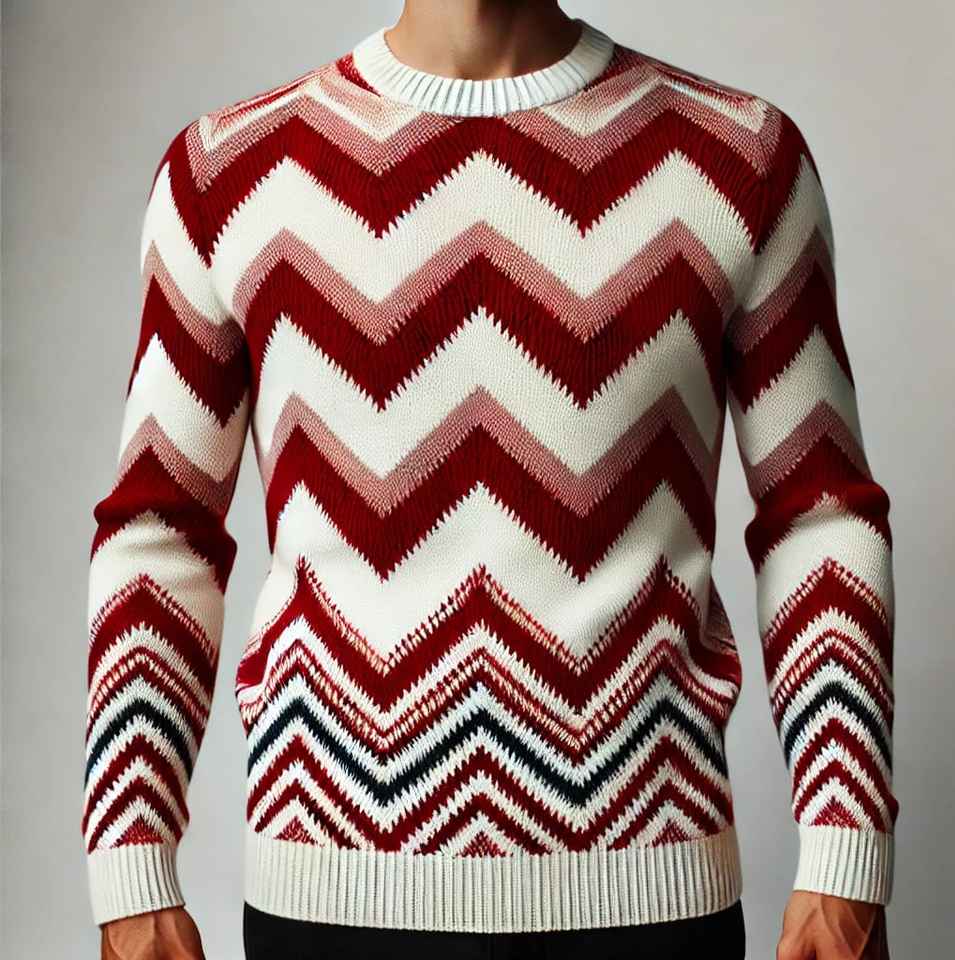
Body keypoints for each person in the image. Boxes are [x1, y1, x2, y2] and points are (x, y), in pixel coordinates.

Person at [84, 2, 897, 957]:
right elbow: (161, 532)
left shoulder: (739, 157)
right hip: (331, 906)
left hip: (649, 899)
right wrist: (130, 860)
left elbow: (818, 518)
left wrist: (847, 853)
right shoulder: (227, 174)